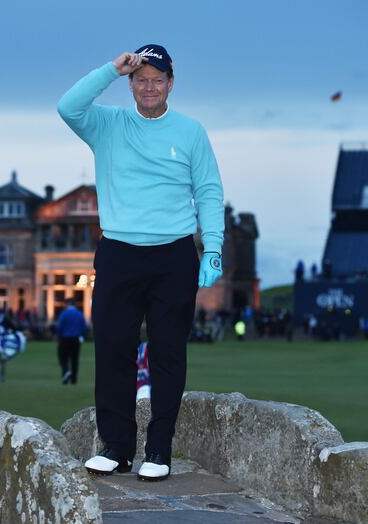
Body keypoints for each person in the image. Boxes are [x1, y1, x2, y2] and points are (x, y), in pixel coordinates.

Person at [58, 45, 224, 481]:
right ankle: (115, 447)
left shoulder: (190, 131)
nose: (149, 87)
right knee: (113, 348)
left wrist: (213, 248)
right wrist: (111, 69)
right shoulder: (107, 124)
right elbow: (68, 105)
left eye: (157, 80)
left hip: (173, 254)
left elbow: (208, 190)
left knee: (167, 353)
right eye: (141, 79)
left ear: (171, 82)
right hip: (119, 251)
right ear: (131, 83)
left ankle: (159, 451)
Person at [55, 298, 88, 384]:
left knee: (63, 357)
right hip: (76, 339)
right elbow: (84, 327)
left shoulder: (64, 314)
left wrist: (58, 336)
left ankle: (66, 371)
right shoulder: (79, 314)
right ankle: (74, 379)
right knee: (75, 359)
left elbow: (60, 326)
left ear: (67, 304)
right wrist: (82, 336)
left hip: (65, 338)